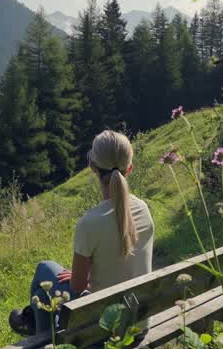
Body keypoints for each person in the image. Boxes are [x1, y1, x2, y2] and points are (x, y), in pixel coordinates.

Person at [9, 129, 155, 336]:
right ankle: (38, 330)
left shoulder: (90, 222)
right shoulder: (143, 210)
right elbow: (129, 266)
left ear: (92, 166)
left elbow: (77, 287)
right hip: (138, 326)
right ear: (129, 168)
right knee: (46, 287)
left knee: (45, 269)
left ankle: (39, 336)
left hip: (104, 331)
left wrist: (82, 279)